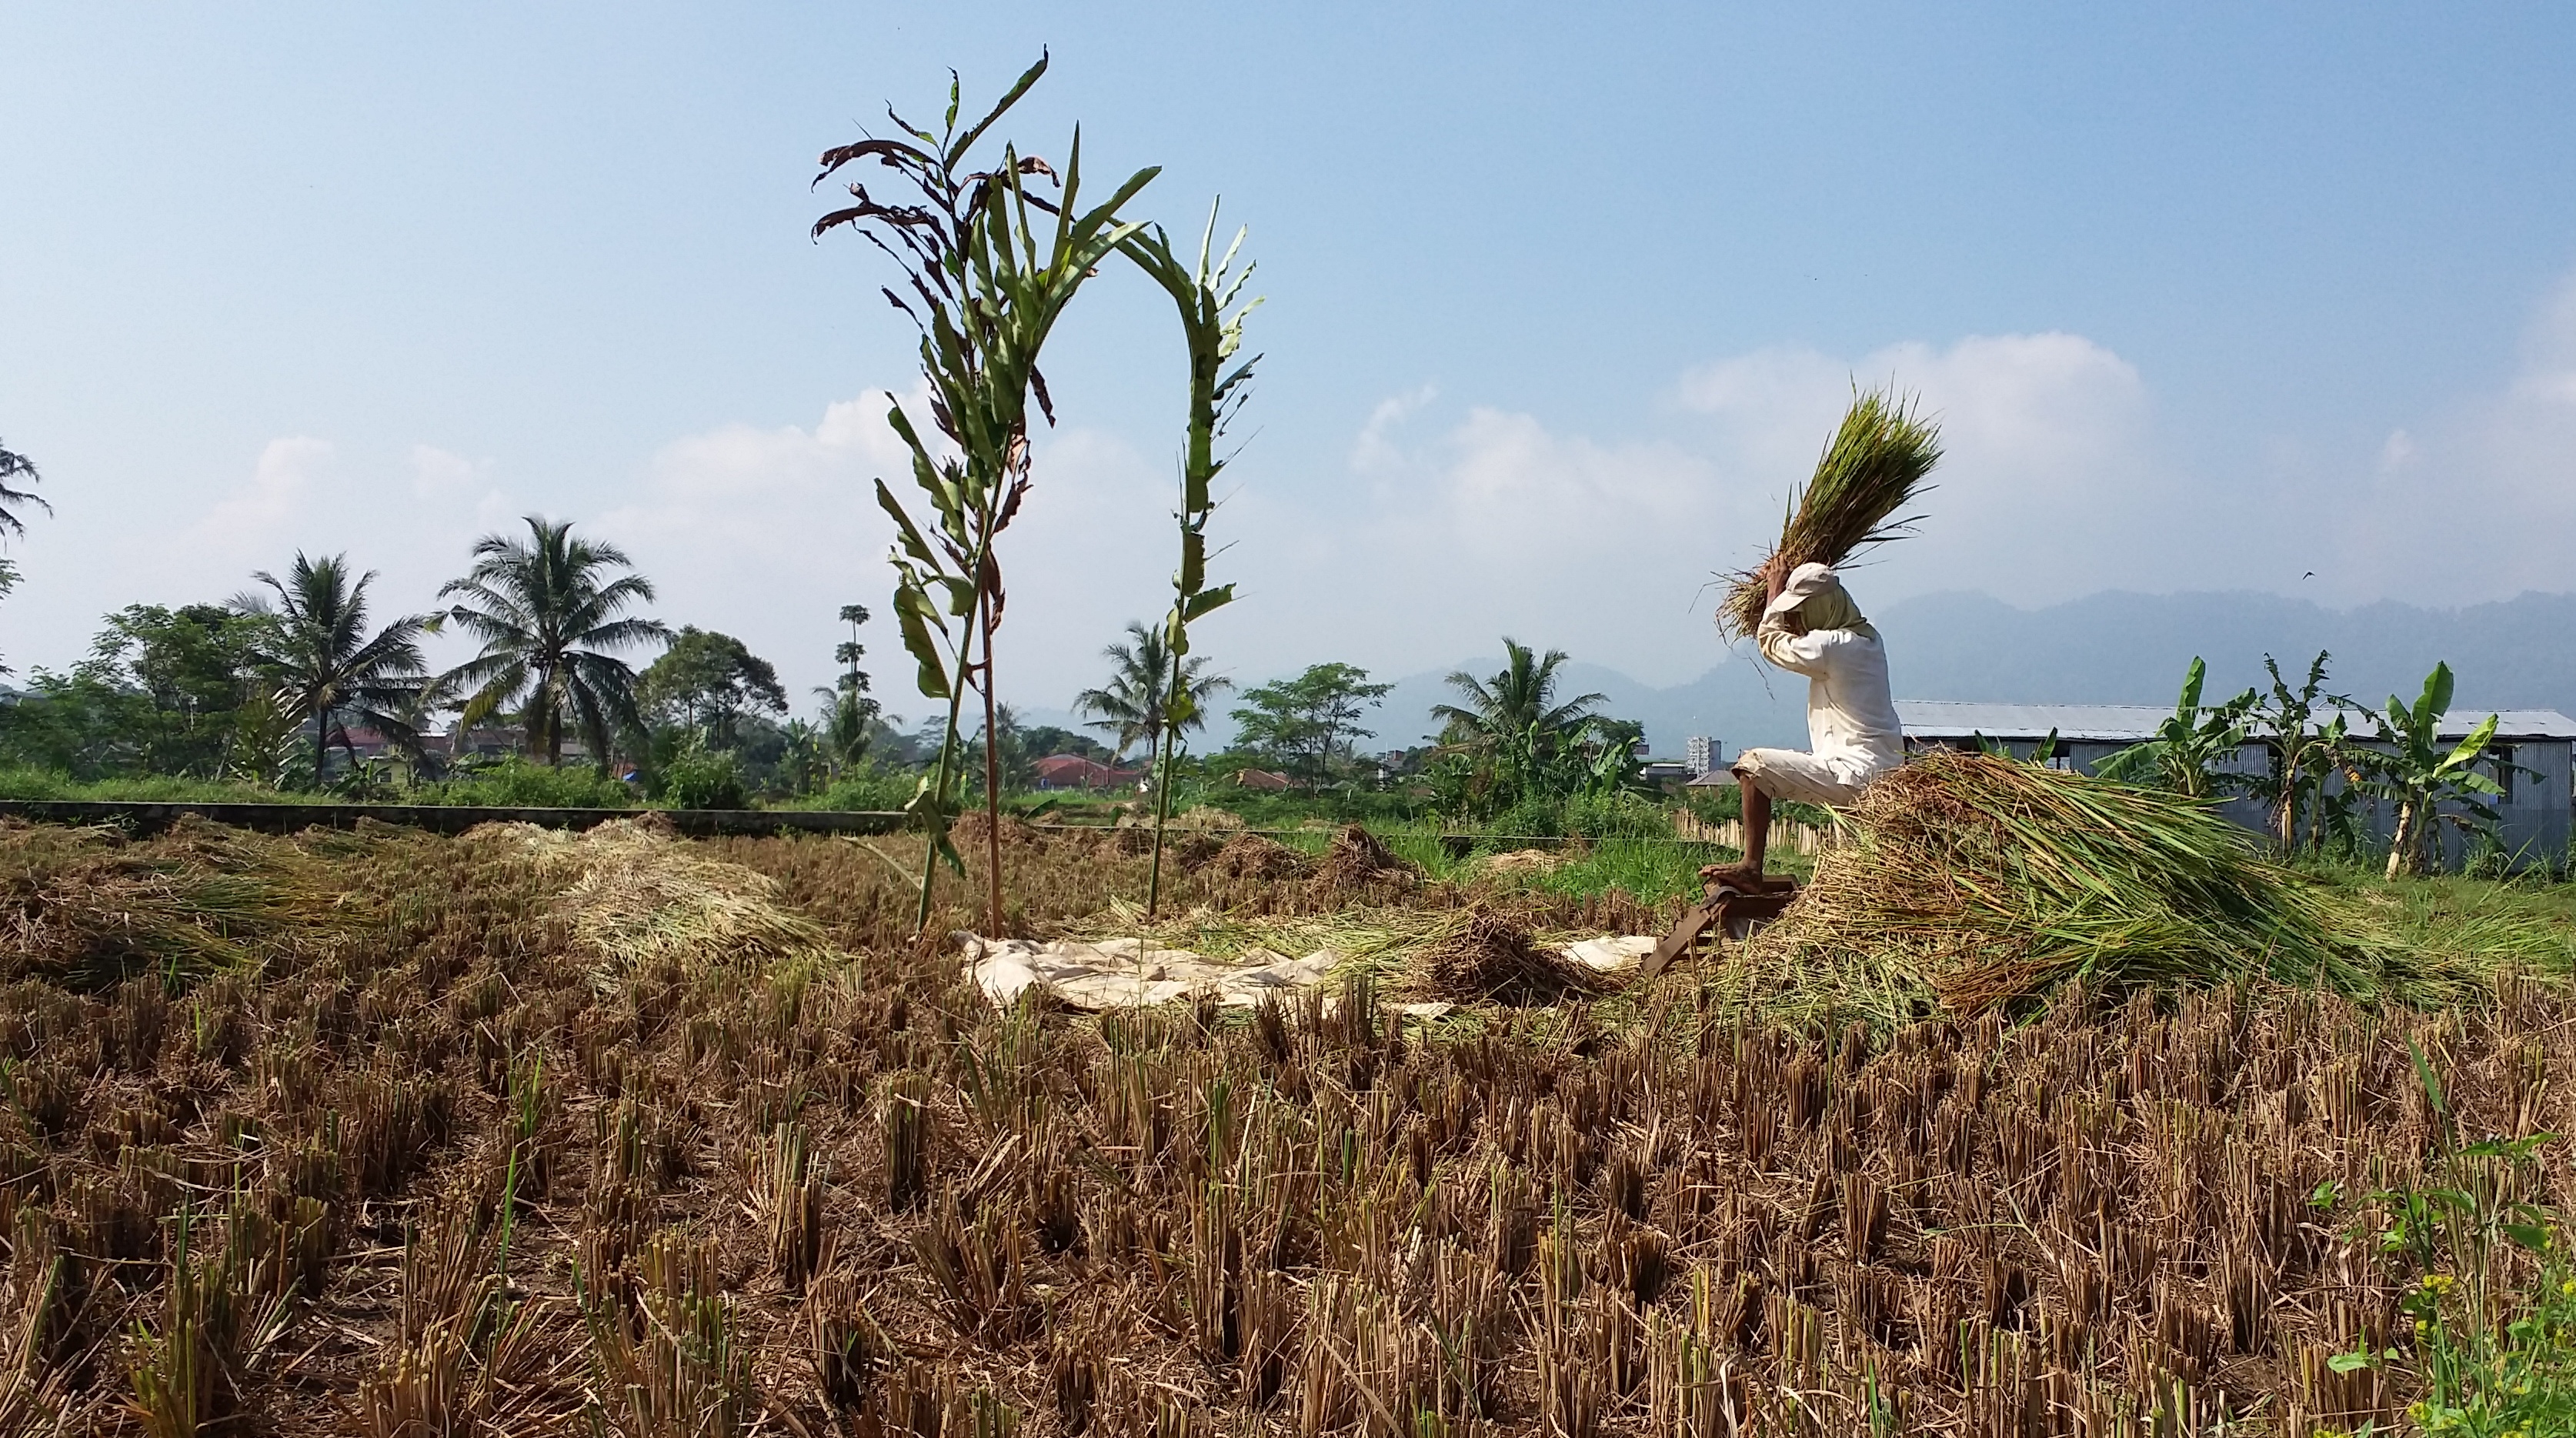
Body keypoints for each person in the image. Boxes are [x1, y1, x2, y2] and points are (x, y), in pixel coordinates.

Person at [1703, 561, 1903, 891]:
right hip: (1879, 771)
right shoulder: (1867, 640)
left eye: (1803, 612)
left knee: (1754, 767)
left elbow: (1772, 643)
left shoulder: (1832, 647)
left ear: (1820, 609)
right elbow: (1806, 641)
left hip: (1853, 772)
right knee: (1854, 871)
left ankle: (1751, 868)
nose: (1800, 621)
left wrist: (1773, 594)